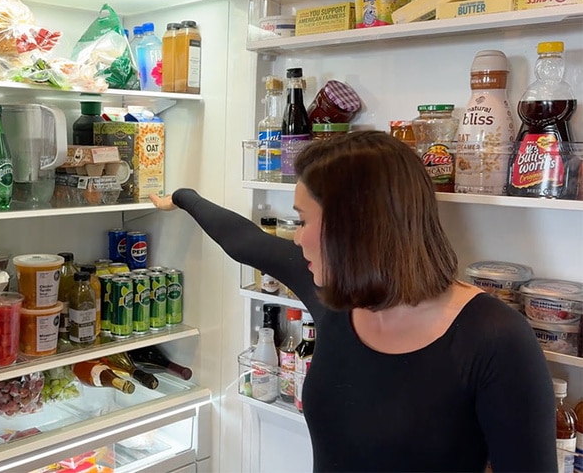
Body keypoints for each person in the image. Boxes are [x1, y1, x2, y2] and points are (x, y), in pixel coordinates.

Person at [150, 130, 556, 471]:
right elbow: (246, 242)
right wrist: (184, 198)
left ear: (355, 229)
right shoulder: (335, 298)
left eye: (305, 220)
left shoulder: (495, 339)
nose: (297, 237)